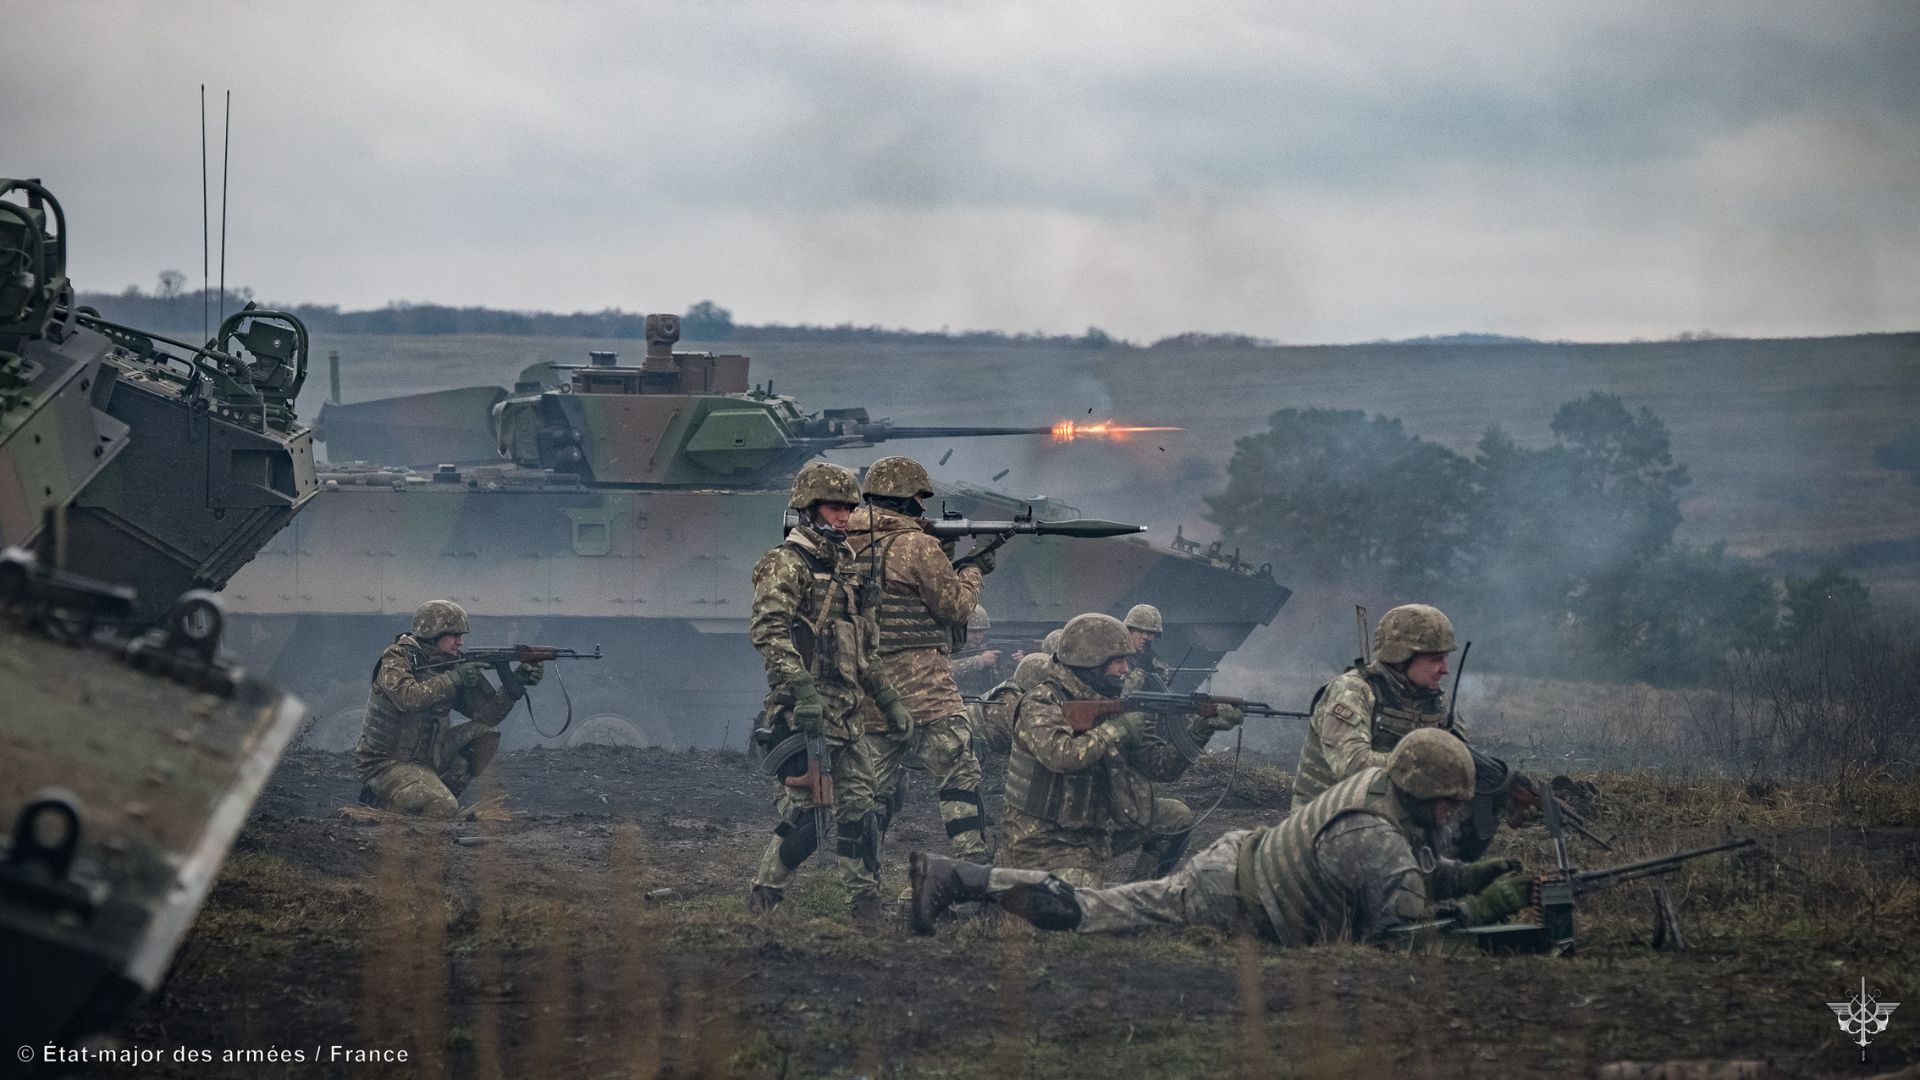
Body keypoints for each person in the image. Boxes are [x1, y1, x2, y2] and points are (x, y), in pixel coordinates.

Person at [909, 728, 1532, 943]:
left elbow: (1399, 883)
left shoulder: (1380, 786)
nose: (1456, 813)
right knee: (1100, 911)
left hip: (1241, 865)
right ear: (1425, 794)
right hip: (1233, 894)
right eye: (1451, 802)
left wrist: (1468, 877)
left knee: (1111, 903)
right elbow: (1402, 942)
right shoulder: (1377, 836)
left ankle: (960, 879)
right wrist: (1479, 909)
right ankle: (958, 878)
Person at [746, 462, 915, 920]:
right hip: (806, 715)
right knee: (808, 820)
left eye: (848, 508)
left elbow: (864, 650)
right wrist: (801, 690)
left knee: (860, 816)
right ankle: (764, 897)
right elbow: (769, 633)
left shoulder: (849, 571)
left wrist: (889, 700)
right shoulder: (786, 563)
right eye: (834, 507)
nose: (844, 516)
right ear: (809, 507)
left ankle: (865, 907)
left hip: (848, 716)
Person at [998, 612, 1243, 886]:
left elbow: (1159, 767)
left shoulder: (1114, 702)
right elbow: (1061, 755)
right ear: (1091, 661)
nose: (1126, 669)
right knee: (1078, 912)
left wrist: (1201, 729)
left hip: (1097, 828)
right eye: (1118, 661)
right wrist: (1118, 729)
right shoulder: (1043, 701)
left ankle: (1138, 894)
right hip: (1042, 840)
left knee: (1176, 817)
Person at [845, 455, 994, 863]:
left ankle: (863, 882)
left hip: (868, 688)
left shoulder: (843, 541)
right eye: (918, 498)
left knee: (872, 790)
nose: (923, 507)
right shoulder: (917, 546)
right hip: (925, 688)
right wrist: (973, 569)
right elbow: (955, 608)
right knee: (959, 775)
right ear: (903, 498)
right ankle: (975, 871)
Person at [355, 599, 544, 818]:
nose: (460, 643)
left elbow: (487, 715)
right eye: (454, 635)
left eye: (461, 636)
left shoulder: (451, 664)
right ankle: (396, 803)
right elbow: (408, 698)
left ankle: (432, 797)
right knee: (443, 806)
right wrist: (453, 679)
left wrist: (515, 683)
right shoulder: (397, 658)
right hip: (385, 763)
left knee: (483, 734)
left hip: (426, 757)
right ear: (433, 633)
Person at [1293, 604, 1465, 807]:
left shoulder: (1437, 700)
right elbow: (1353, 766)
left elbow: (1461, 757)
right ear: (1402, 656)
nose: (1445, 669)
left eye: (1445, 658)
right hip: (1329, 818)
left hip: (1389, 816)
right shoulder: (1352, 691)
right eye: (1436, 659)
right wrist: (1427, 765)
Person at [950, 605, 1013, 695]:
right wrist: (979, 661)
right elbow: (940, 672)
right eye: (973, 631)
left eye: (981, 631)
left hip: (983, 702)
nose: (978, 636)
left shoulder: (987, 649)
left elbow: (1002, 685)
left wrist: (1015, 664)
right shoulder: (946, 648)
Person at [1119, 603, 1173, 693]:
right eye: (1140, 631)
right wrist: (1141, 670)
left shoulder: (1158, 665)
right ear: (1129, 631)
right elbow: (1123, 695)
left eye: (1150, 633)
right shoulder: (1114, 660)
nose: (1145, 637)